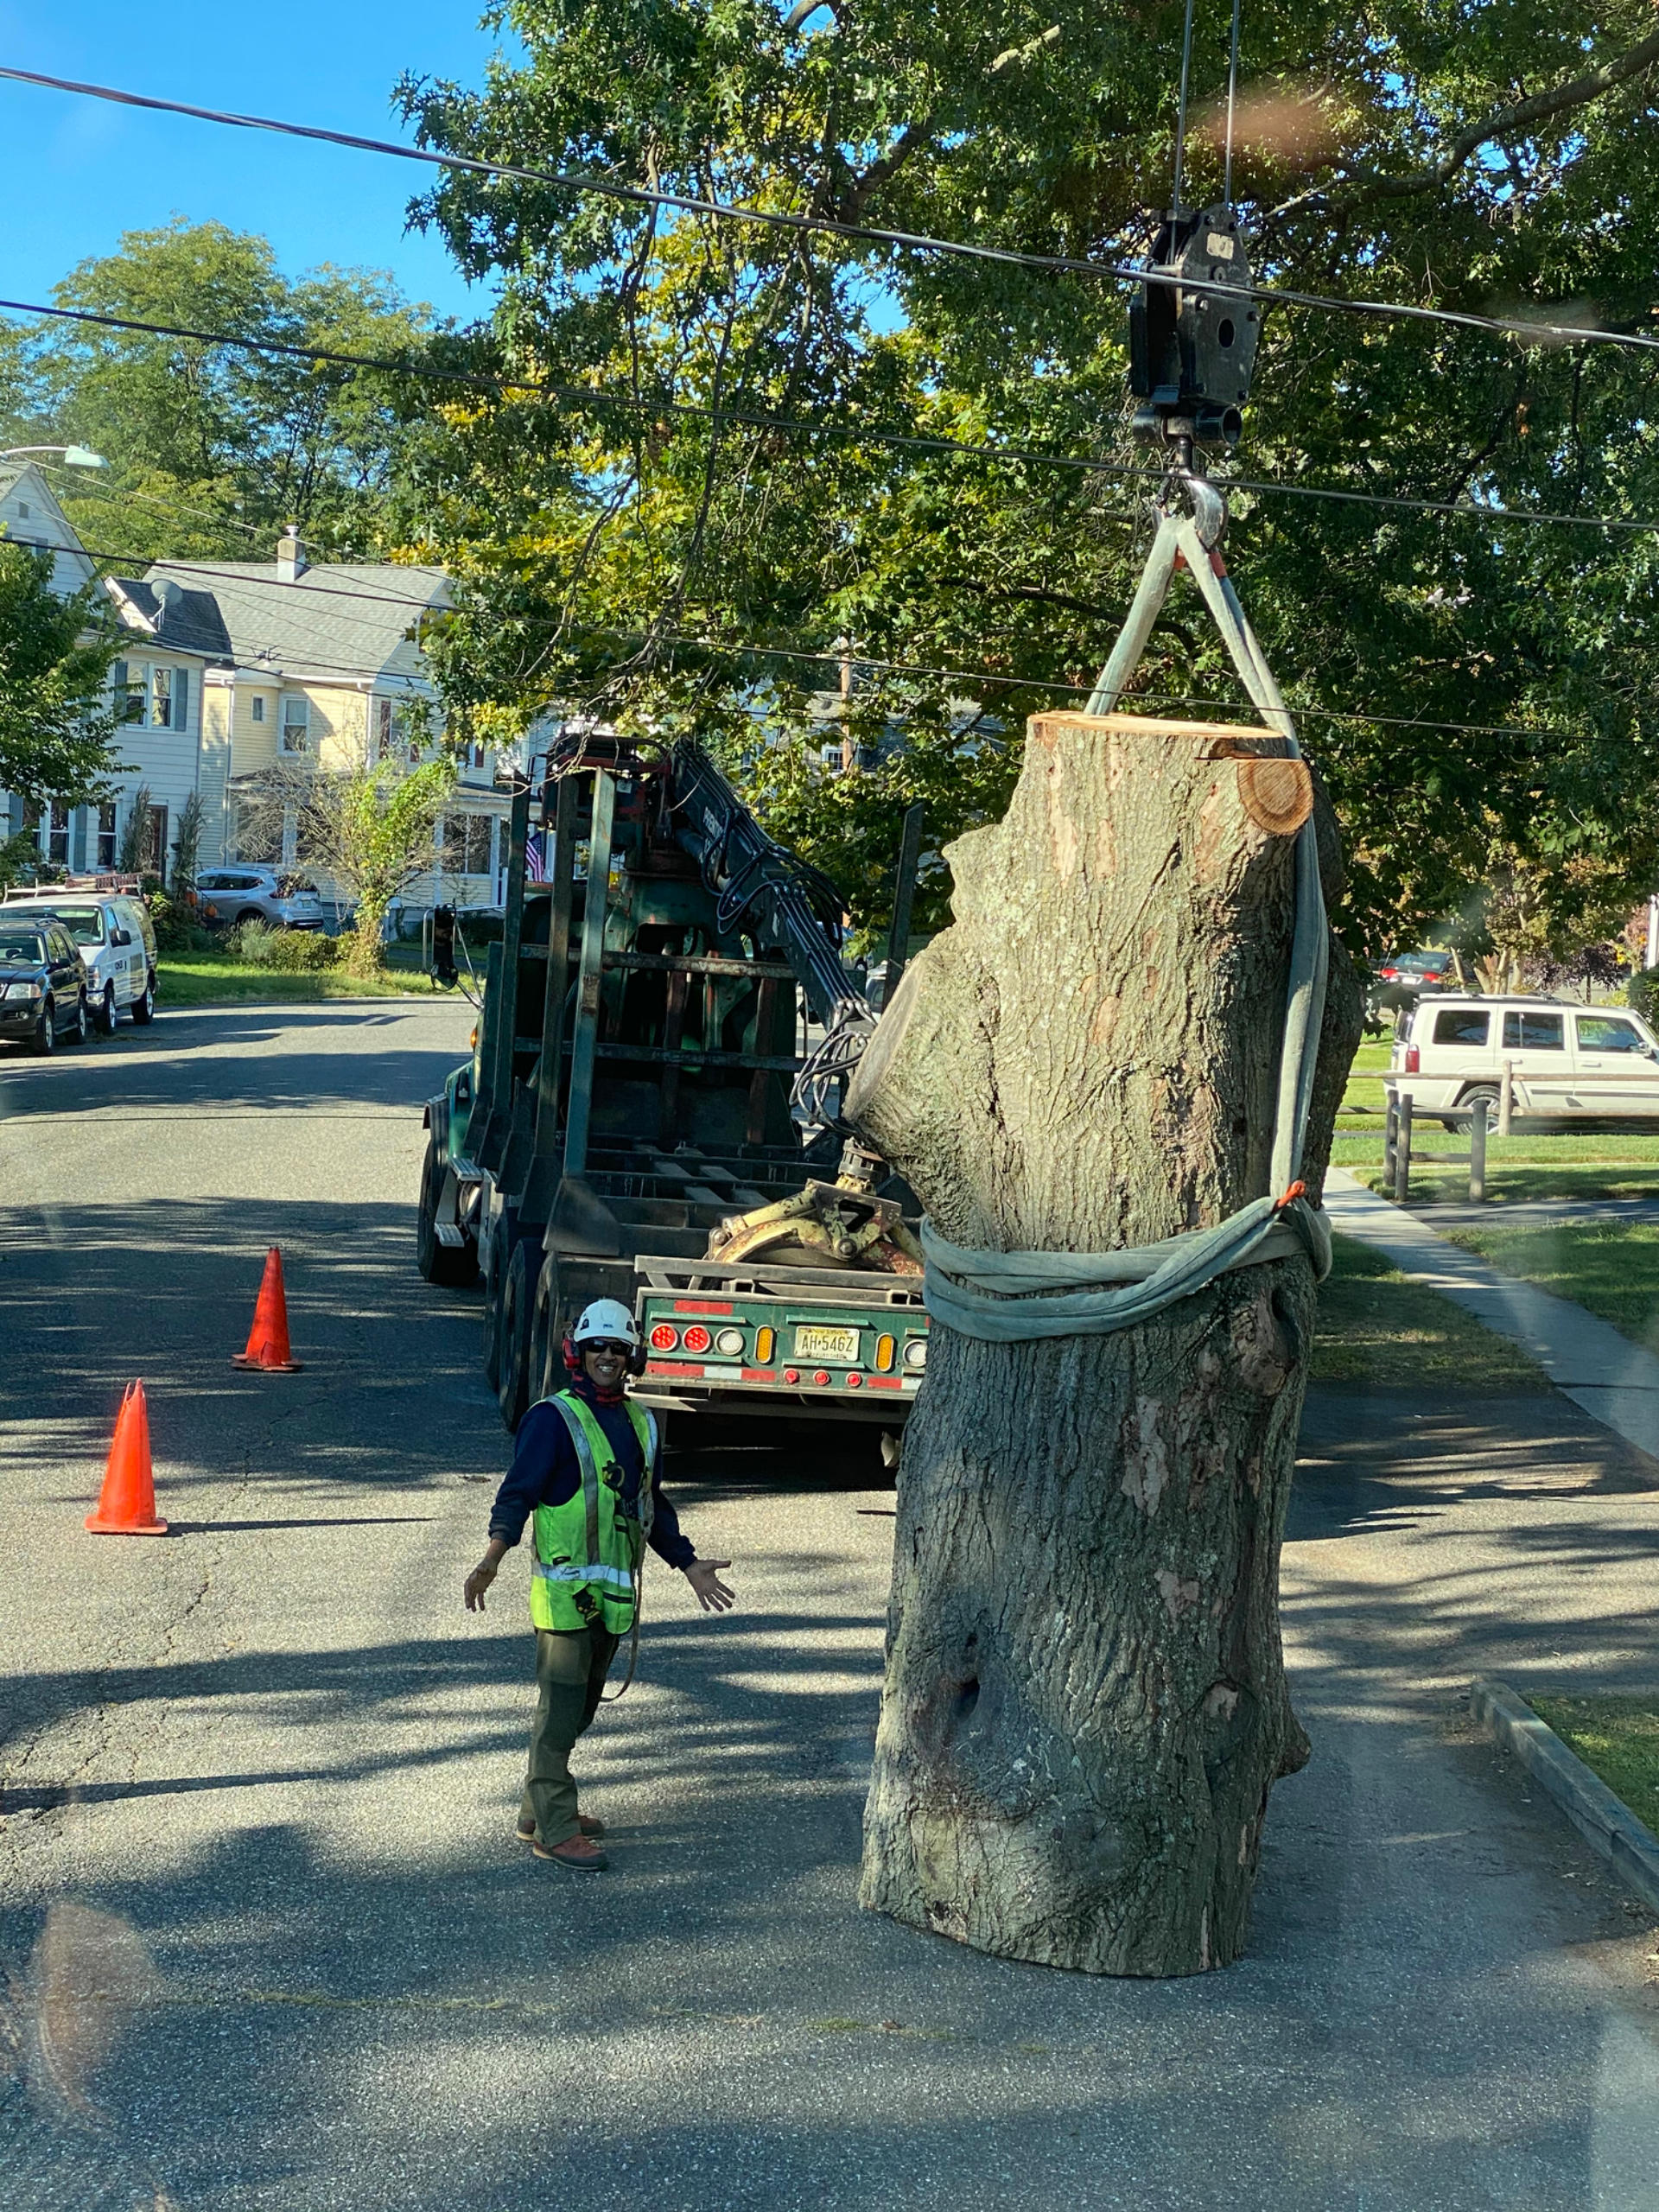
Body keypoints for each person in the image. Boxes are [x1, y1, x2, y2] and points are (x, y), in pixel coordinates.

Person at [463, 1297, 734, 1872]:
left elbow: (648, 1504)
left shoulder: (641, 1421)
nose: (607, 1356)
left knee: (579, 1712)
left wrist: (687, 1563)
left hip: (611, 1600)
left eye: (617, 1348)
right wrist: (492, 1557)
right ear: (578, 1353)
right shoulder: (552, 1419)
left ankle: (537, 1809)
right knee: (559, 1715)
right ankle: (555, 1829)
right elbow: (517, 1494)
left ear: (632, 1357)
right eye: (596, 1347)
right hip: (565, 1598)